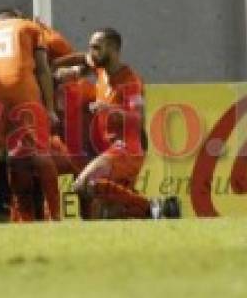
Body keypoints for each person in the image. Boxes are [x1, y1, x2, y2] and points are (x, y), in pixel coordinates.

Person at [60, 27, 170, 219]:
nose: (91, 52)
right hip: (111, 148)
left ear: (111, 49)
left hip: (129, 147)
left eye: (96, 47)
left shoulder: (130, 81)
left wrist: (109, 109)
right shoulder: (101, 68)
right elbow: (83, 59)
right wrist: (59, 66)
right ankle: (157, 210)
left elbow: (138, 118)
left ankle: (150, 206)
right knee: (108, 213)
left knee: (83, 184)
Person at [0, 9, 61, 223]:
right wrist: (50, 108)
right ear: (16, 17)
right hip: (23, 92)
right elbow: (43, 69)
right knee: (40, 154)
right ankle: (55, 216)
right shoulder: (27, 26)